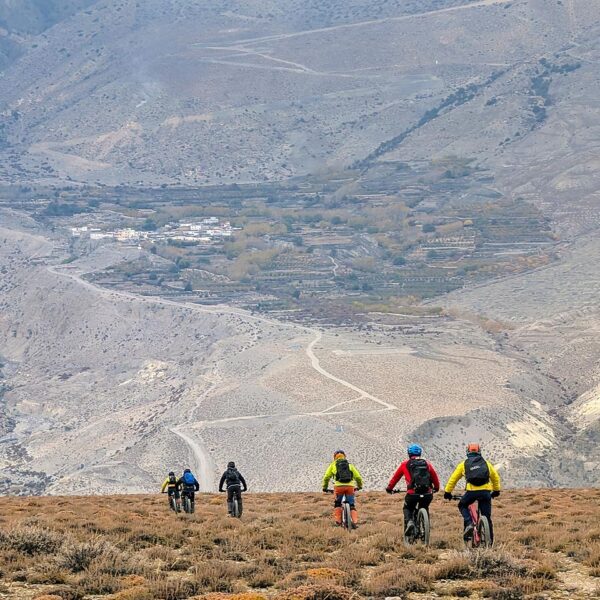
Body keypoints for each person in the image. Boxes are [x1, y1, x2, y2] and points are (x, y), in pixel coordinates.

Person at [443, 443, 501, 542]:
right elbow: (495, 477)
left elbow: (453, 479)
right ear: (479, 452)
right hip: (485, 492)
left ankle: (469, 523)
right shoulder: (486, 463)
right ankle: (489, 542)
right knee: (487, 517)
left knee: (462, 505)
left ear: (468, 452)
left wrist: (447, 492)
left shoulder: (464, 464)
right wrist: (496, 490)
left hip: (471, 492)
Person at [385, 443, 440, 536]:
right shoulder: (427, 464)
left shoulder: (405, 464)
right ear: (420, 453)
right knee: (424, 507)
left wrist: (389, 488)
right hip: (427, 494)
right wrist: (436, 488)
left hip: (412, 494)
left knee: (407, 508)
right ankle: (425, 529)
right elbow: (435, 477)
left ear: (409, 453)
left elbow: (395, 478)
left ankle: (410, 522)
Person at [322, 450, 363, 526]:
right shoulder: (349, 465)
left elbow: (326, 477)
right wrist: (360, 486)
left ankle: (338, 522)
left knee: (337, 504)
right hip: (350, 487)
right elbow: (358, 477)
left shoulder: (333, 465)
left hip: (338, 487)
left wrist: (325, 487)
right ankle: (355, 522)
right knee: (351, 505)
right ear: (344, 456)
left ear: (334, 457)